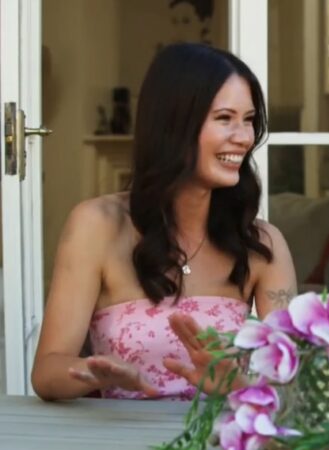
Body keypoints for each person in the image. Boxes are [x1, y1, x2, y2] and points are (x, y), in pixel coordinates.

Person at [31, 43, 296, 401]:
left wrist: (239, 388)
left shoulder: (262, 243)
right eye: (224, 118)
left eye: (248, 120)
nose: (244, 137)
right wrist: (96, 372)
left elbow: (293, 385)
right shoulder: (97, 226)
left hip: (224, 444)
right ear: (174, 124)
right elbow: (47, 373)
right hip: (123, 448)